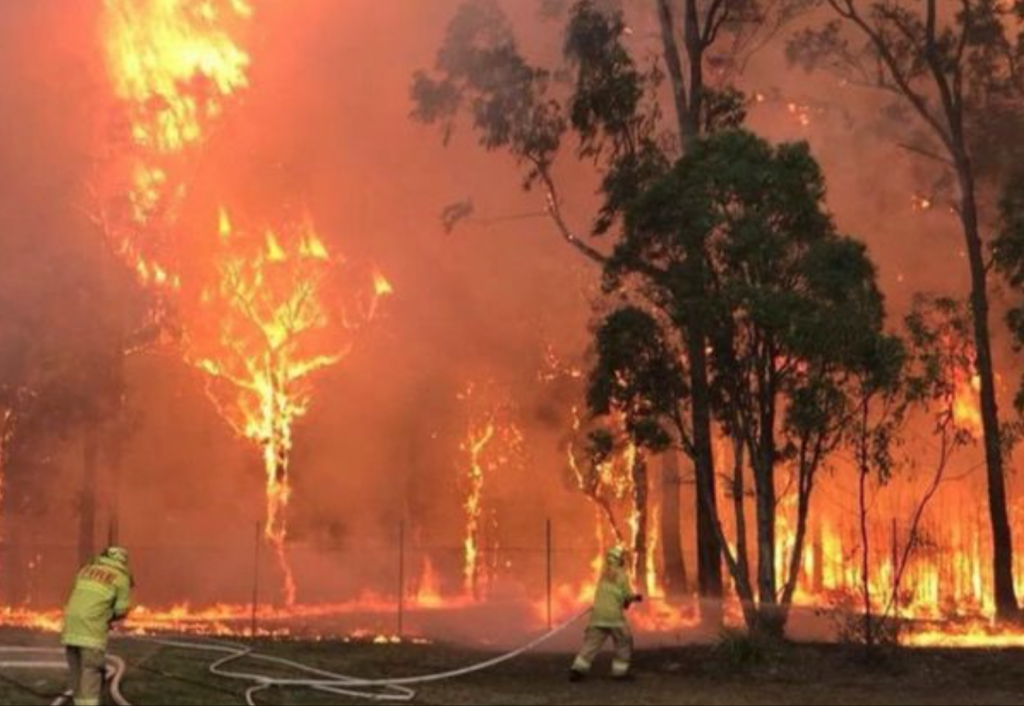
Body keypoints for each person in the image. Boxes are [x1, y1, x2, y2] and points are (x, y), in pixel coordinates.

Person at [61, 547, 133, 706]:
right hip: (91, 631)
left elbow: (80, 596)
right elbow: (121, 610)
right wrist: (110, 617)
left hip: (70, 629)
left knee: (77, 675)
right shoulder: (121, 577)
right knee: (90, 673)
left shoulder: (85, 570)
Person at [570, 546, 643, 682]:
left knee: (591, 644)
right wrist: (635, 597)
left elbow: (610, 595)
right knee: (623, 641)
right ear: (619, 560)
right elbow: (626, 595)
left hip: (597, 616)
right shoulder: (622, 575)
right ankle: (619, 673)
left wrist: (623, 600)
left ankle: (577, 670)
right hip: (614, 617)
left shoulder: (603, 575)